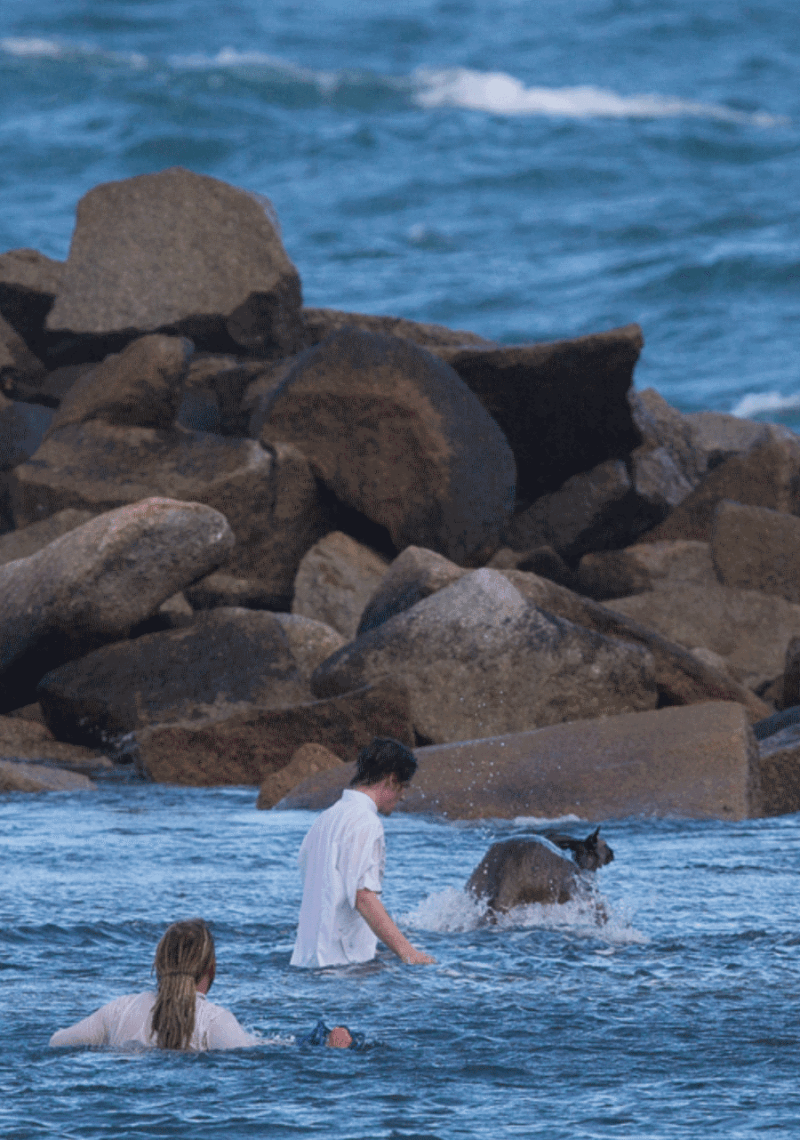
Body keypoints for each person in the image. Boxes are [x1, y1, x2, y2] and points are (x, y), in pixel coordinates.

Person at [50, 918, 354, 1050]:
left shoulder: (119, 1010)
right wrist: (330, 1054)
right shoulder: (216, 1021)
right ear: (211, 968)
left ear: (158, 965)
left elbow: (57, 1042)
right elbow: (247, 1058)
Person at [290, 737, 436, 969]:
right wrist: (409, 952)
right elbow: (364, 897)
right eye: (404, 787)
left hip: (305, 961)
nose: (404, 796)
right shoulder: (366, 822)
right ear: (391, 780)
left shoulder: (325, 819)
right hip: (343, 965)